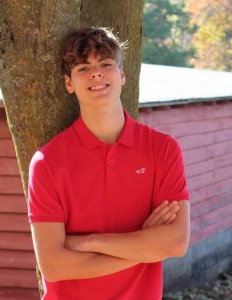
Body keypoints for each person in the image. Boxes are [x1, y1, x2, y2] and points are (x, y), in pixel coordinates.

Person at [28, 27, 190, 300]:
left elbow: (175, 242)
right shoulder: (47, 163)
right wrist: (145, 246)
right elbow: (54, 266)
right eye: (83, 68)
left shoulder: (162, 150)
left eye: (105, 64)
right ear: (69, 83)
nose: (96, 73)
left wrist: (91, 242)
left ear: (122, 75)